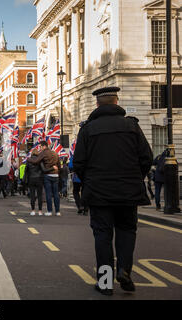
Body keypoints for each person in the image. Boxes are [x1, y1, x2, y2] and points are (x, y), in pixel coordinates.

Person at [73, 86, 153, 296]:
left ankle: (106, 282)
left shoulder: (88, 129)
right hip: (128, 191)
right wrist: (135, 178)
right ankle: (125, 270)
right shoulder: (132, 126)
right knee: (127, 231)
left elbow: (78, 162)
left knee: (103, 236)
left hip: (99, 193)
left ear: (97, 104)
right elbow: (146, 158)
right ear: (117, 102)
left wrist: (88, 182)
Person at [27, 141, 61, 216]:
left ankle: (49, 211)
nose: (40, 148)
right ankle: (58, 211)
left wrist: (28, 159)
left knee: (48, 193)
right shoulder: (55, 153)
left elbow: (36, 161)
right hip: (56, 175)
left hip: (48, 175)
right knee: (56, 194)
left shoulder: (44, 153)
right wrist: (58, 172)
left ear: (43, 146)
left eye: (40, 147)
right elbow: (59, 165)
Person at [25, 149, 44, 216]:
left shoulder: (28, 160)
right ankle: (40, 211)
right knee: (39, 195)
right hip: (39, 179)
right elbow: (43, 169)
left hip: (31, 179)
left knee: (32, 195)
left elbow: (26, 171)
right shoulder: (40, 160)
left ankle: (33, 210)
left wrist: (25, 180)